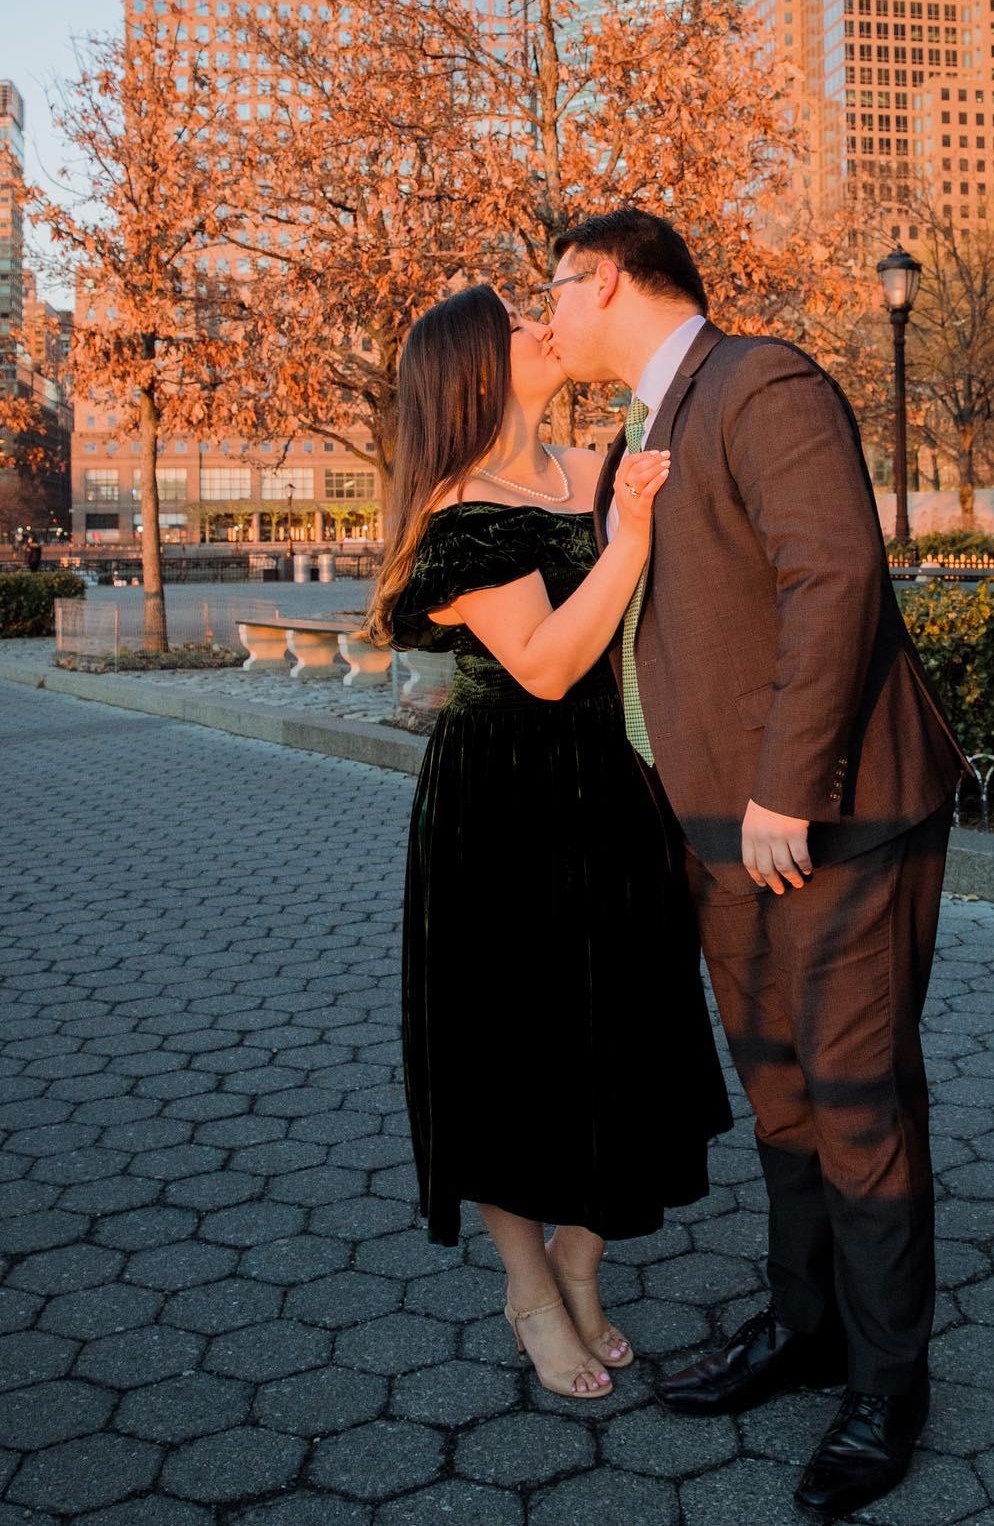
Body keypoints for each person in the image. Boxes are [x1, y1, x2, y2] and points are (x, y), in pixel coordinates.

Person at [544, 210, 967, 1517]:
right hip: (721, 832)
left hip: (831, 817)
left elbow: (833, 575)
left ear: (603, 278)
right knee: (781, 1093)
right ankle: (808, 1328)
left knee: (855, 1097)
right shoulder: (640, 429)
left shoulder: (763, 378)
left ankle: (889, 1385)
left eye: (551, 291)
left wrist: (789, 781)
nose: (546, 315)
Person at [364, 284, 732, 1403]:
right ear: (475, 365)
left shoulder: (597, 459)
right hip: (502, 803)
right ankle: (528, 1284)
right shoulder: (456, 509)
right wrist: (631, 536)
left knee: (613, 1025)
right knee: (509, 1047)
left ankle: (584, 1251)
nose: (541, 324)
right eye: (518, 320)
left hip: (607, 788)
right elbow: (549, 663)